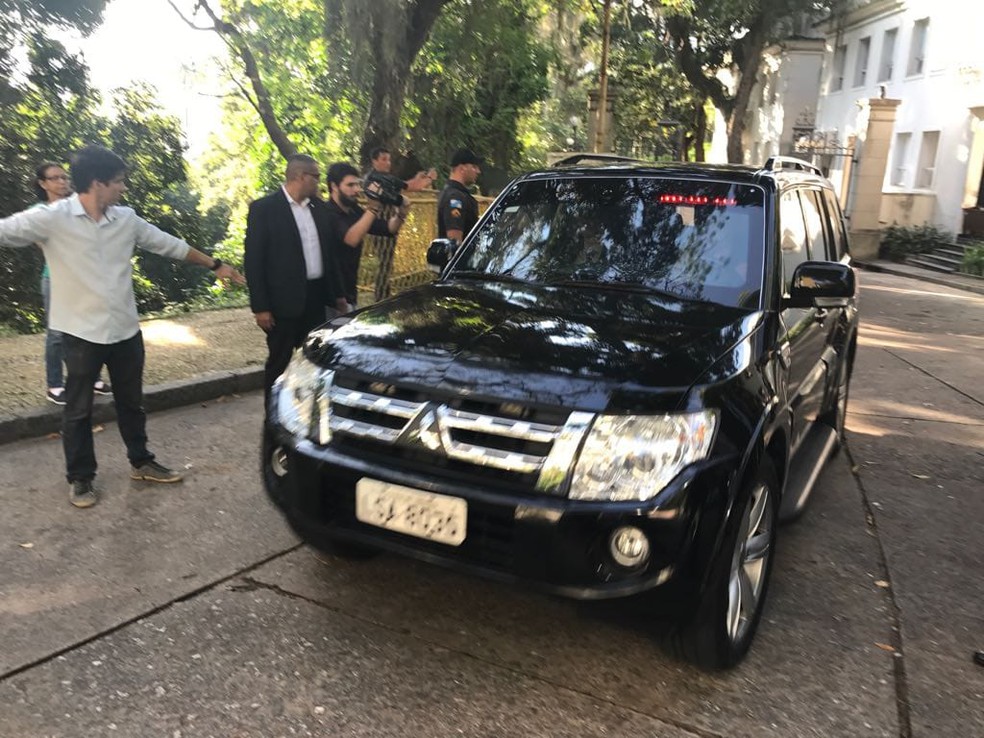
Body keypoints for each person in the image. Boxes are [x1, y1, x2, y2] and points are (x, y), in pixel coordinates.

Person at [0, 144, 245, 509]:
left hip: (125, 331)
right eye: (118, 182)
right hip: (80, 334)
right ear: (98, 183)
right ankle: (81, 479)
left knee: (132, 402)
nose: (123, 188)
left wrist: (216, 265)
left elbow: (170, 245)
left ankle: (142, 461)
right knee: (79, 409)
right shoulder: (52, 218)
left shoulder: (125, 219)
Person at [244, 154, 346, 401]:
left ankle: (307, 412)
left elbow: (329, 256)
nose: (319, 183)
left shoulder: (319, 209)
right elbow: (253, 261)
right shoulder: (264, 209)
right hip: (281, 303)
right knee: (279, 363)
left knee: (314, 361)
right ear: (301, 176)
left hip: (315, 298)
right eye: (316, 177)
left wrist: (339, 294)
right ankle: (273, 417)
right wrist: (261, 307)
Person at [33, 162, 111, 405]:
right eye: (55, 178)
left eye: (64, 177)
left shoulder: (80, 206)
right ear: (43, 183)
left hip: (84, 277)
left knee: (88, 329)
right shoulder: (39, 211)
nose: (62, 182)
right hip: (55, 278)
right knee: (57, 333)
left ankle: (93, 378)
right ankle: (55, 385)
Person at [324, 161, 409, 313]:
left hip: (350, 292)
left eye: (357, 185)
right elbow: (351, 239)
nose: (356, 189)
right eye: (350, 185)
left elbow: (387, 228)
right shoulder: (328, 213)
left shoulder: (354, 210)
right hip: (332, 298)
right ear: (334, 186)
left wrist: (401, 213)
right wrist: (373, 208)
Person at [365, 147, 435, 301]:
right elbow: (411, 187)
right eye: (383, 159)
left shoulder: (384, 178)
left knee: (386, 261)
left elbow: (406, 185)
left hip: (389, 220)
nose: (387, 163)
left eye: (389, 159)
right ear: (374, 161)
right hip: (381, 221)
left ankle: (383, 294)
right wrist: (429, 179)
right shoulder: (375, 179)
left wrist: (419, 178)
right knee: (384, 260)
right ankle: (381, 297)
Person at [437, 148, 483, 243]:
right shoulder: (455, 197)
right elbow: (454, 240)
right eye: (474, 167)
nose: (478, 171)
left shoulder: (458, 194)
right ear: (462, 169)